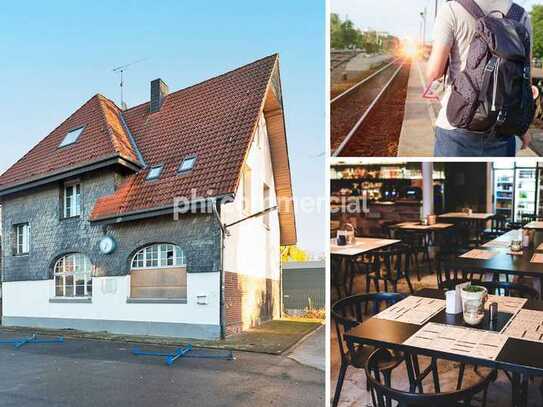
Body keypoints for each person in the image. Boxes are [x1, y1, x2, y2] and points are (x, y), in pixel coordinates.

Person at [427, 0, 533, 157]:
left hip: (457, 123)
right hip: (503, 124)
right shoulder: (522, 16)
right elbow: (525, 79)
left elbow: (433, 72)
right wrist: (523, 128)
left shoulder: (451, 9)